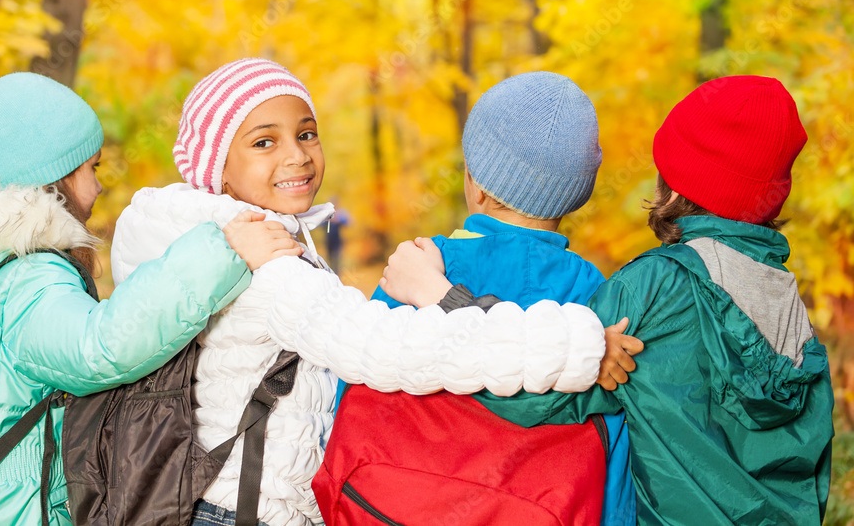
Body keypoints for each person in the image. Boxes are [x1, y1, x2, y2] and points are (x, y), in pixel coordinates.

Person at [110, 59, 614, 526]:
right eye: (264, 142)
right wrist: (581, 347)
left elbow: (356, 401)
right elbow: (382, 348)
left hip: (243, 499)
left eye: (306, 134)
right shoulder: (261, 262)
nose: (296, 155)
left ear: (474, 182)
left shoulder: (221, 245)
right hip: (246, 507)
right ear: (215, 166)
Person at [388, 75, 834, 525]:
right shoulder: (791, 307)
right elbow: (809, 470)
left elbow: (527, 390)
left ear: (674, 185)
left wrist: (444, 300)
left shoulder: (653, 287)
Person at [0, 72, 274, 525]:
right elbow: (100, 347)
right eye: (91, 168)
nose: (97, 187)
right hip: (17, 508)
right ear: (54, 177)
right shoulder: (26, 276)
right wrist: (223, 253)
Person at [248, 71, 640, 525]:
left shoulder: (422, 265)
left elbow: (355, 387)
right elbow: (613, 442)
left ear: (475, 183)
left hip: (395, 506)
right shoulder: (599, 297)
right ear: (576, 196)